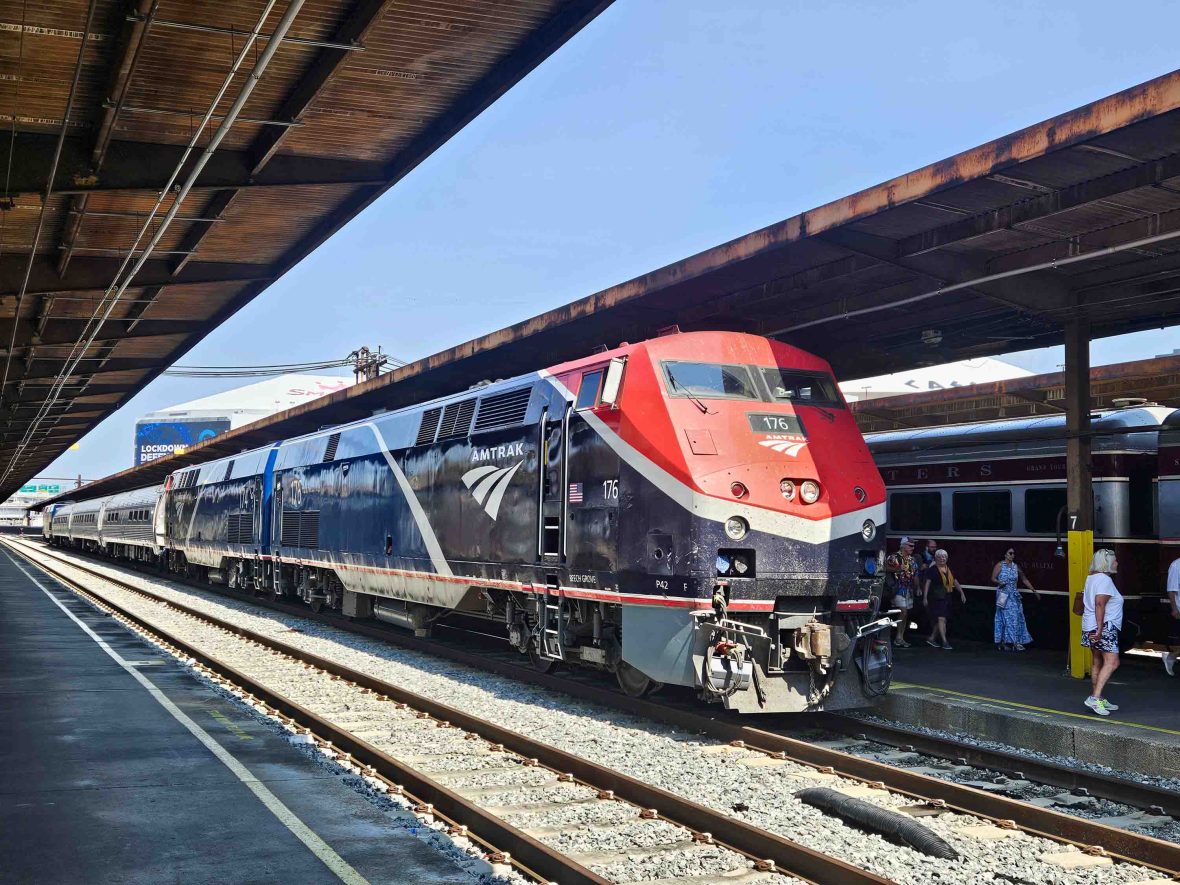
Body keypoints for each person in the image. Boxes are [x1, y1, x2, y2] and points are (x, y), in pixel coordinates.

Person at [1081, 549, 1124, 716]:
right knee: (1113, 662)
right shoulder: (1105, 580)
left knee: (1097, 661)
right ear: (1107, 563)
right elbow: (1100, 604)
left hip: (1089, 625)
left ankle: (1097, 698)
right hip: (1104, 627)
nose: (1117, 563)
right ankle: (1095, 697)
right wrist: (1099, 629)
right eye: (1114, 561)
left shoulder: (1091, 578)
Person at [991, 547, 1040, 651]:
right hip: (1003, 595)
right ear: (1005, 555)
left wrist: (1034, 591)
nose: (1012, 555)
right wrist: (999, 582)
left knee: (1016, 617)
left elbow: (1024, 579)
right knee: (1004, 618)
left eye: (1013, 553)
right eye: (1010, 553)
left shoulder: (1015, 567)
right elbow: (993, 578)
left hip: (1013, 595)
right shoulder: (1000, 565)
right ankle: (1009, 642)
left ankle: (1013, 642)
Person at [920, 549, 966, 649]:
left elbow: (954, 581)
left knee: (941, 620)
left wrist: (961, 592)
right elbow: (927, 584)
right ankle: (945, 641)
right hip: (936, 597)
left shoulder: (949, 569)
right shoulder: (932, 570)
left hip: (947, 597)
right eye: (940, 557)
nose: (942, 559)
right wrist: (925, 597)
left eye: (944, 557)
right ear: (936, 558)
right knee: (941, 618)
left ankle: (931, 638)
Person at [884, 537, 921, 647]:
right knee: (903, 612)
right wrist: (898, 569)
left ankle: (900, 636)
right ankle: (898, 637)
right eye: (910, 545)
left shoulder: (912, 559)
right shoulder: (894, 557)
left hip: (908, 590)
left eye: (913, 546)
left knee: (905, 614)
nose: (913, 548)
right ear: (903, 545)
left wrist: (918, 588)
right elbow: (883, 568)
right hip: (897, 589)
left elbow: (915, 575)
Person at [1165, 555, 1180, 677]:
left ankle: (1171, 657)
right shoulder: (1176, 565)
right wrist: (1174, 609)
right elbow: (1171, 590)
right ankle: (1171, 657)